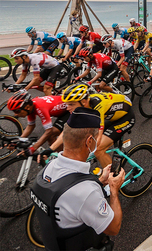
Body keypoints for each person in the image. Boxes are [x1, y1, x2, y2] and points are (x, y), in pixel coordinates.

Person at [31, 107, 124, 251]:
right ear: (89, 142)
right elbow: (113, 228)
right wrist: (114, 190)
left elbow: (70, 197)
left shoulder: (49, 167)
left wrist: (99, 182)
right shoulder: (86, 192)